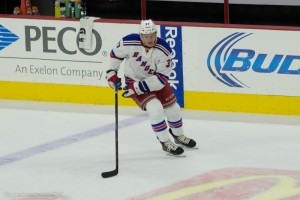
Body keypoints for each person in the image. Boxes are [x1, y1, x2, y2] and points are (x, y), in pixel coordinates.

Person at [106, 19, 196, 156]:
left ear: (156, 33)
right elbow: (115, 55)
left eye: (152, 35)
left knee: (173, 109)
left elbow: (161, 79)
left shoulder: (164, 49)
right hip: (134, 79)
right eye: (146, 36)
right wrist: (111, 73)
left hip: (155, 81)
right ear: (141, 35)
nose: (150, 39)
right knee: (155, 108)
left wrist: (136, 89)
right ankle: (165, 142)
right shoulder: (128, 42)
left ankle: (178, 136)